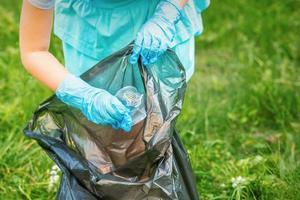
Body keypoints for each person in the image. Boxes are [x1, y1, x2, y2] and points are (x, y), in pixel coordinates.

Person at [20, 0, 209, 132]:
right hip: (91, 29)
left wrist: (167, 13)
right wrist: (83, 94)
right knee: (103, 133)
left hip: (157, 14)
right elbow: (34, 50)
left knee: (152, 120)